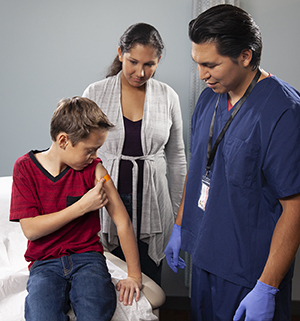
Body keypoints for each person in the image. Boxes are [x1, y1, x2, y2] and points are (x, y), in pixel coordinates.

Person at [164, 4, 300, 320]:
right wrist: (181, 225)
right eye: (197, 63)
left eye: (211, 64)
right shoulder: (210, 96)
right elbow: (198, 168)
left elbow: (295, 206)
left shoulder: (284, 112)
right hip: (205, 257)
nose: (201, 74)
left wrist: (267, 286)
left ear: (245, 56)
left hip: (248, 272)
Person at [10, 97, 142, 321]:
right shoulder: (24, 168)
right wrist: (81, 206)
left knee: (95, 312)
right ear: (63, 140)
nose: (95, 156)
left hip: (87, 259)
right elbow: (31, 229)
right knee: (41, 316)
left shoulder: (96, 170)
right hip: (45, 263)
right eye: (90, 150)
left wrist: (134, 276)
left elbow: (122, 221)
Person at [82, 23, 187, 285]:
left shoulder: (168, 97)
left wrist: (177, 218)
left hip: (154, 200)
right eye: (133, 62)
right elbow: (81, 154)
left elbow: (177, 159)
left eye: (149, 64)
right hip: (107, 201)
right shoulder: (94, 93)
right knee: (108, 279)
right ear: (120, 53)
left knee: (149, 281)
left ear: (159, 60)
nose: (140, 72)